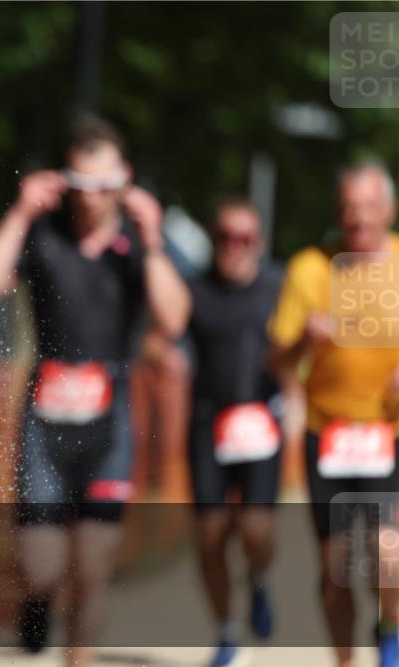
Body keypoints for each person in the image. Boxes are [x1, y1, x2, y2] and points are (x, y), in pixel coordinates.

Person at [0, 116, 190, 666]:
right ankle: (37, 601)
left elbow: (175, 318)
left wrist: (154, 239)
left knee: (94, 565)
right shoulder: (46, 235)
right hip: (45, 424)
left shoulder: (137, 248)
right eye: (81, 182)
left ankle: (80, 658)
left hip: (109, 424)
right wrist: (22, 212)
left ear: (125, 181)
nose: (92, 197)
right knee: (41, 565)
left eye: (103, 184)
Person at [268, 161, 399, 667]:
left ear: (389, 210)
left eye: (368, 207)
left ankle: (388, 627)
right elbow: (275, 360)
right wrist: (303, 340)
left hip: (390, 432)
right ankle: (345, 660)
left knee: (389, 552)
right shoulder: (308, 268)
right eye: (347, 206)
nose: (357, 217)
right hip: (330, 436)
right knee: (336, 568)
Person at [181, 198, 285, 666]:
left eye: (244, 238)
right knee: (210, 535)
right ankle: (226, 630)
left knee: (256, 528)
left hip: (262, 420)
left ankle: (259, 579)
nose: (234, 247)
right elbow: (160, 332)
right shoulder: (196, 290)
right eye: (225, 237)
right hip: (208, 422)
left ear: (258, 243)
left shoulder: (277, 287)